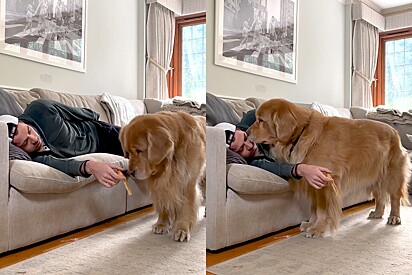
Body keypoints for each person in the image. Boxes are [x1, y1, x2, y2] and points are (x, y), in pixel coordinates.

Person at [0, 99, 125, 188]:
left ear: (22, 122)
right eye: (25, 142)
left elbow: (81, 114)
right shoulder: (34, 158)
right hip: (97, 151)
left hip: (101, 133)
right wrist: (92, 166)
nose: (34, 139)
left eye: (29, 130)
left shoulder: (40, 109)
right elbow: (64, 165)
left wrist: (94, 117)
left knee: (141, 146)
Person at [216, 109, 333, 189]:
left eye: (246, 138)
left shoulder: (252, 119)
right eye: (242, 149)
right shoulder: (253, 163)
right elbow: (275, 167)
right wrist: (302, 169)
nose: (250, 145)